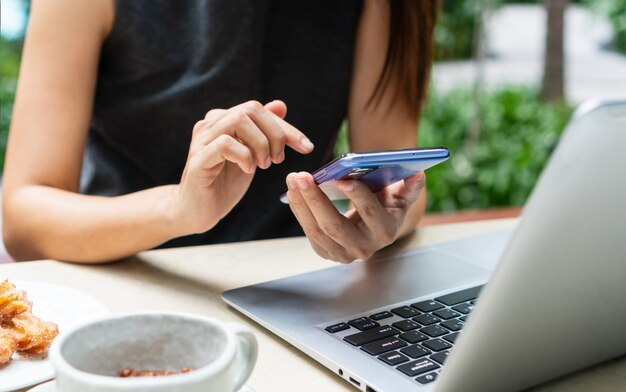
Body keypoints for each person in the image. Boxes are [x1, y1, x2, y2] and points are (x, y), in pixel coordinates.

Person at [2, 0, 438, 264]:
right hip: (126, 271)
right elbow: (23, 217)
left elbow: (399, 180)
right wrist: (176, 209)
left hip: (298, 284)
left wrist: (383, 221)